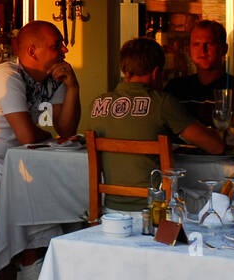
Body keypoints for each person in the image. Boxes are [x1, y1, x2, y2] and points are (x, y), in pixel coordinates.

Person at [0, 19, 81, 280]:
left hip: (13, 160)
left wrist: (73, 89)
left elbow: (67, 129)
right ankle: (29, 265)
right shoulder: (6, 75)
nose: (64, 50)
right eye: (56, 45)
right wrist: (49, 137)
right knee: (30, 184)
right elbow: (27, 136)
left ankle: (63, 255)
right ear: (32, 51)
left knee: (64, 179)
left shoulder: (53, 78)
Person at [86, 37, 223, 212]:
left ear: (124, 69)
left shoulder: (97, 103)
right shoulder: (162, 103)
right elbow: (216, 147)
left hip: (111, 209)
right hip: (158, 207)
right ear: (156, 72)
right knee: (226, 197)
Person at [165, 20, 234, 125]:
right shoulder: (175, 89)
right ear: (189, 48)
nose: (202, 50)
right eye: (196, 44)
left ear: (224, 49)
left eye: (209, 44)